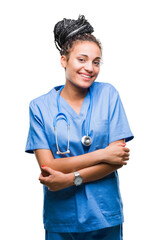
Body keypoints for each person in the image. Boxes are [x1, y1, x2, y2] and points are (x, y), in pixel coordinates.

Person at [25, 15, 134, 240]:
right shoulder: (40, 107)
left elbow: (117, 161)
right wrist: (103, 154)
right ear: (64, 60)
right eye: (81, 59)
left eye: (96, 62)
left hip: (105, 216)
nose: (90, 68)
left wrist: (69, 178)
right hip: (62, 219)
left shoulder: (108, 94)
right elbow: (48, 165)